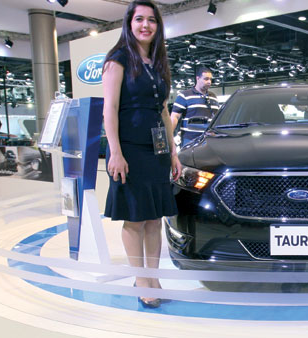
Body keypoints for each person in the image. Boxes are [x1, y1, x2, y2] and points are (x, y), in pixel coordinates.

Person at [102, 0, 181, 308]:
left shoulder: (159, 63)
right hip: (131, 151)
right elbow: (109, 108)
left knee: (154, 219)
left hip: (158, 151)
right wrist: (115, 152)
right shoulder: (118, 59)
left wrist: (172, 151)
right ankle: (141, 280)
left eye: (151, 20)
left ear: (157, 26)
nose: (145, 25)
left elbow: (164, 111)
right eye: (139, 19)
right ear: (129, 23)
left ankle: (152, 276)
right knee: (135, 219)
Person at [170, 66, 219, 146]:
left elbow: (216, 118)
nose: (209, 82)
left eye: (210, 79)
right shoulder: (184, 95)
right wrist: (169, 137)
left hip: (209, 140)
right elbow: (174, 117)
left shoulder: (213, 96)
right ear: (198, 78)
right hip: (189, 140)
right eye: (206, 79)